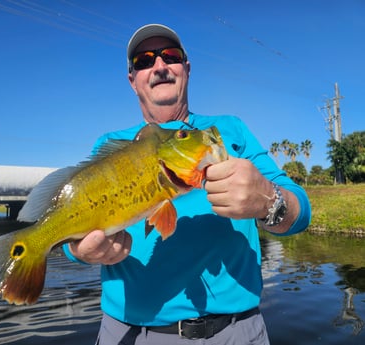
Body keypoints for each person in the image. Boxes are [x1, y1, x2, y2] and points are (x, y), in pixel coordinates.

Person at [62, 23, 311, 344]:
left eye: (171, 56)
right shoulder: (112, 146)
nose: (159, 66)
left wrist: (269, 200)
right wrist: (80, 250)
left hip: (237, 331)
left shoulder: (227, 131)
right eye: (144, 61)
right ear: (132, 81)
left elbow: (300, 213)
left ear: (187, 69)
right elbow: (73, 228)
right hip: (131, 333)